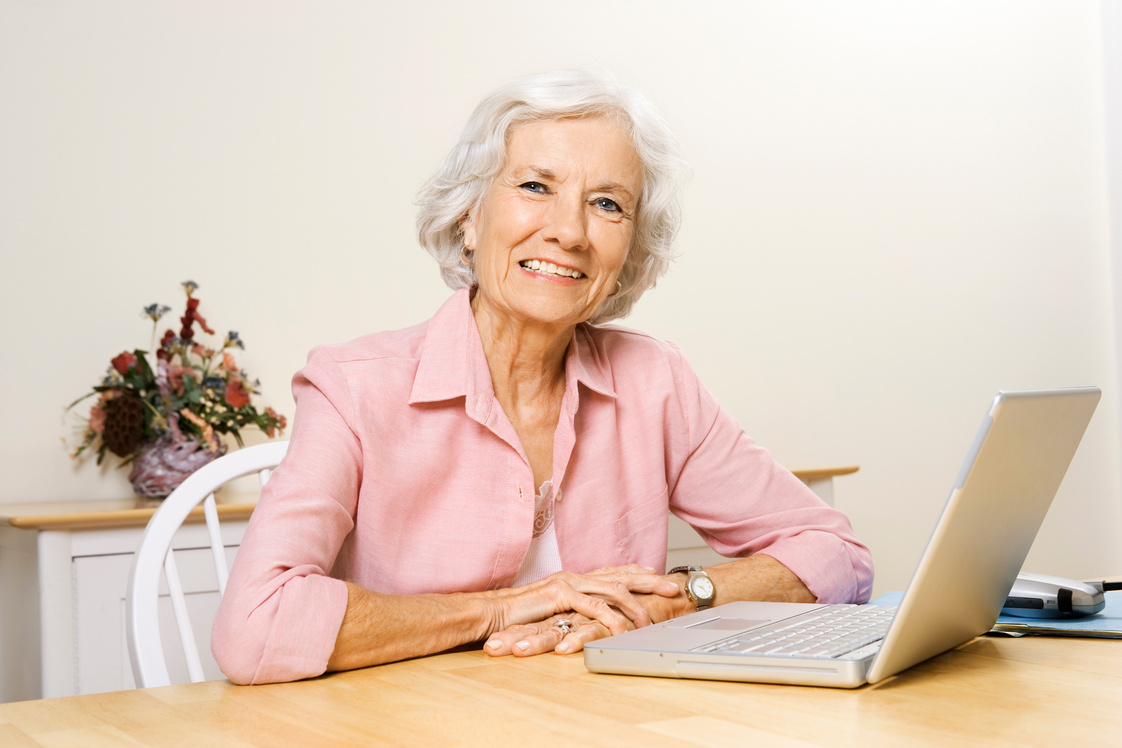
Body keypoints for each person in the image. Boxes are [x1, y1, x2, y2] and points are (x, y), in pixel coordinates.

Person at [212, 70, 873, 685]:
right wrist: (502, 610)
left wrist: (680, 597)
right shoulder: (354, 388)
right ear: (469, 218)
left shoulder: (654, 381)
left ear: (630, 248)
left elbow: (837, 554)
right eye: (535, 187)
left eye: (607, 204)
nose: (570, 232)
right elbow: (256, 624)